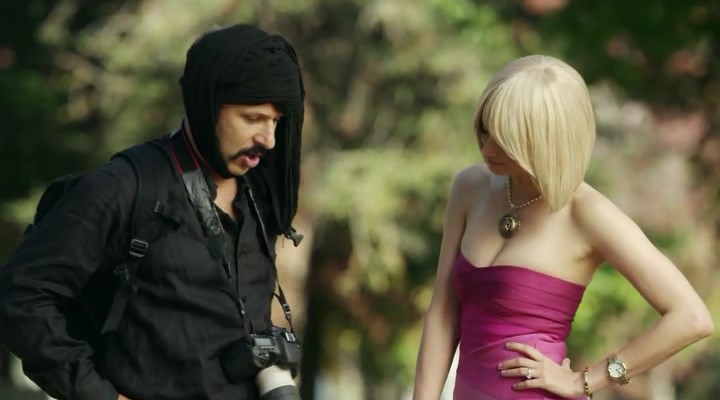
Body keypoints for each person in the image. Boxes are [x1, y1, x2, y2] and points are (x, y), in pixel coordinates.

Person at [0, 23, 305, 400]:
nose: (269, 140)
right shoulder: (124, 187)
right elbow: (21, 295)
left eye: (276, 121)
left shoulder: (260, 195)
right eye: (253, 118)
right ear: (207, 104)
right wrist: (99, 396)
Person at [412, 55, 713, 399]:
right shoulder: (470, 187)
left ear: (546, 139)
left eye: (505, 138)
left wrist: (585, 380)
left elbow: (691, 318)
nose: (487, 147)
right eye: (484, 128)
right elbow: (443, 312)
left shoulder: (588, 213)